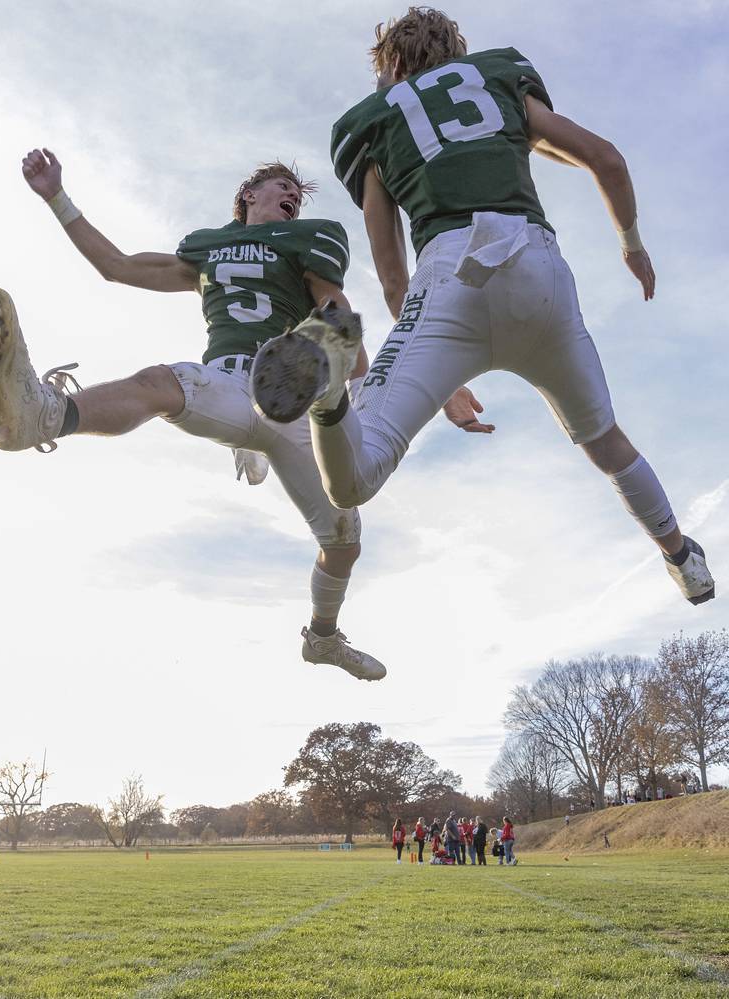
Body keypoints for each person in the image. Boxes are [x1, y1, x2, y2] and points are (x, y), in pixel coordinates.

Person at [252, 7, 714, 609]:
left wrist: (441, 375)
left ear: (389, 63)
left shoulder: (371, 120)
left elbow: (393, 275)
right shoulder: (496, 77)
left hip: (447, 277)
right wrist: (631, 245)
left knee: (353, 482)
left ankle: (331, 394)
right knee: (604, 441)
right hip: (539, 267)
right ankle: (681, 557)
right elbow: (608, 160)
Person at [0, 153, 391, 680]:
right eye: (281, 187)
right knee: (160, 383)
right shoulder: (209, 249)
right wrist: (57, 196)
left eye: (297, 195)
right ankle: (45, 416)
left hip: (293, 398)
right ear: (248, 196)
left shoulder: (307, 241)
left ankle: (322, 639)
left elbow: (336, 321)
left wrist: (364, 400)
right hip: (227, 383)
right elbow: (116, 267)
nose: (291, 197)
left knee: (344, 541)